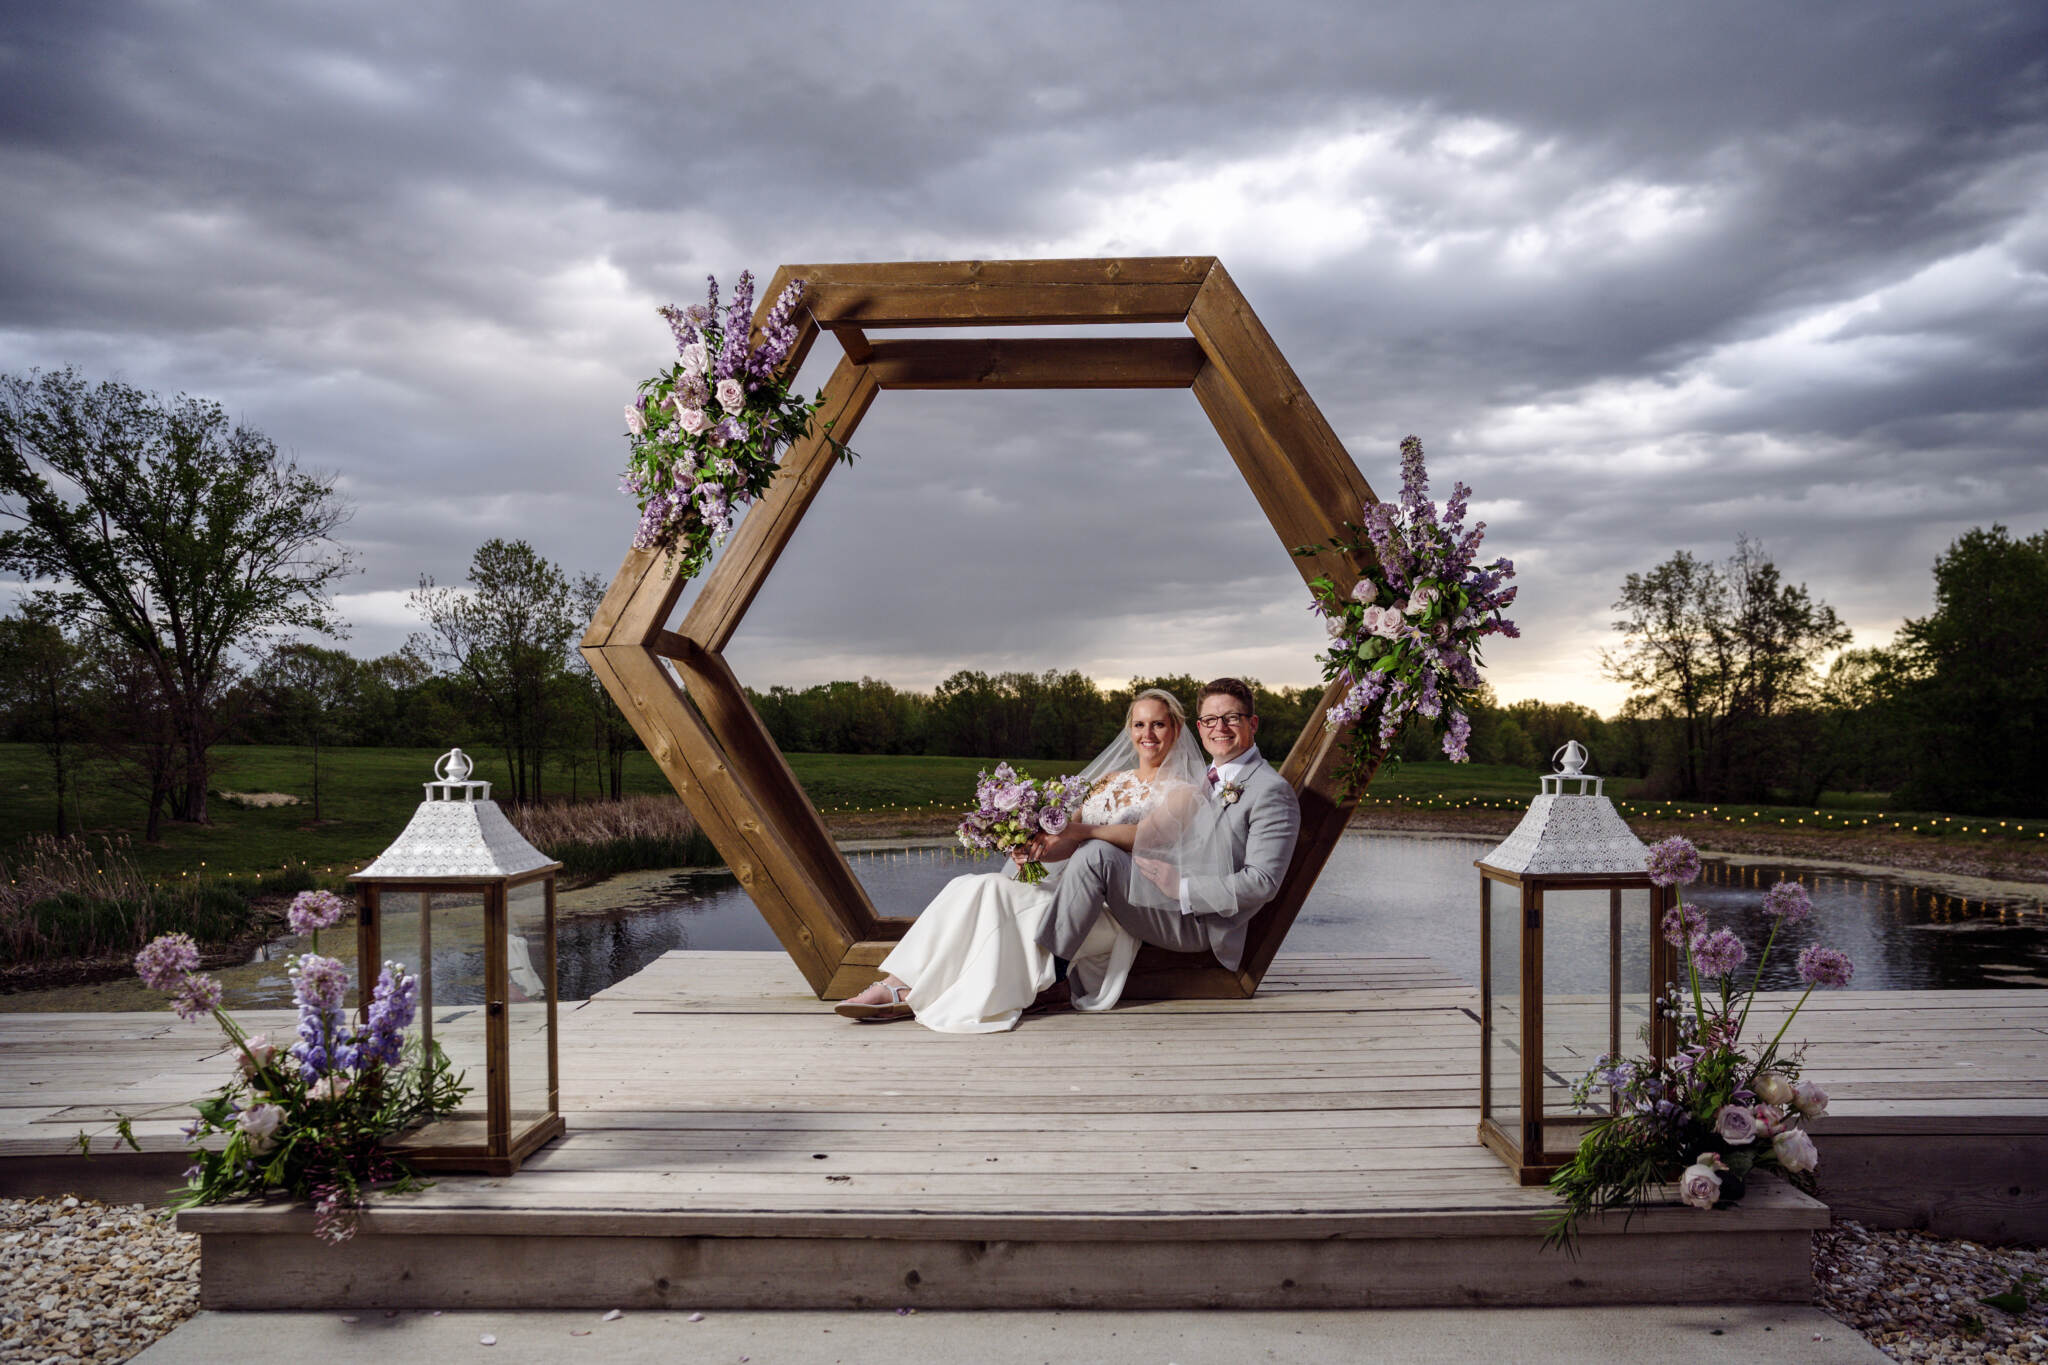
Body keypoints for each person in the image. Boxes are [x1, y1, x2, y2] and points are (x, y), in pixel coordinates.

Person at [834, 688, 1206, 1031]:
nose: (1148, 734)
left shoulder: (1183, 791)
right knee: (967, 884)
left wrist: (1081, 833)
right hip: (1066, 896)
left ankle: (911, 991)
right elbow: (1067, 840)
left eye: (1158, 724)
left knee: (993, 892)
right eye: (1140, 724)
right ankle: (898, 982)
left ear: (1175, 729)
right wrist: (1036, 847)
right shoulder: (1108, 780)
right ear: (1129, 730)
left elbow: (1145, 835)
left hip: (1111, 912)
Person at [1033, 677, 1301, 978]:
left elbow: (1263, 881)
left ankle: (1050, 975)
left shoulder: (1271, 790)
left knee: (1095, 854)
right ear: (1199, 728)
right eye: (1210, 720)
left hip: (1201, 921)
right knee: (1083, 861)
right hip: (1155, 894)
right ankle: (1042, 967)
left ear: (1252, 723)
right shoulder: (1197, 778)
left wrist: (1183, 888)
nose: (1220, 728)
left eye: (1232, 718)